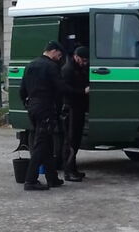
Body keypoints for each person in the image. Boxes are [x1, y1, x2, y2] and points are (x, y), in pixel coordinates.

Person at [19, 41, 66, 191]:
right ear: (53, 51)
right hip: (46, 108)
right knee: (41, 145)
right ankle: (30, 180)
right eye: (59, 55)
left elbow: (22, 90)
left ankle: (52, 178)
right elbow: (60, 88)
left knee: (47, 144)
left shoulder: (30, 65)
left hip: (33, 107)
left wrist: (27, 105)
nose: (59, 58)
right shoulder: (51, 66)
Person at [61, 46, 90, 181]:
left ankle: (73, 168)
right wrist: (82, 92)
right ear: (76, 57)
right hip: (71, 108)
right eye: (83, 60)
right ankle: (68, 171)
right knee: (71, 140)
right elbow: (66, 91)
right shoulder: (68, 70)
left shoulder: (79, 69)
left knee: (76, 140)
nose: (84, 63)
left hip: (78, 108)